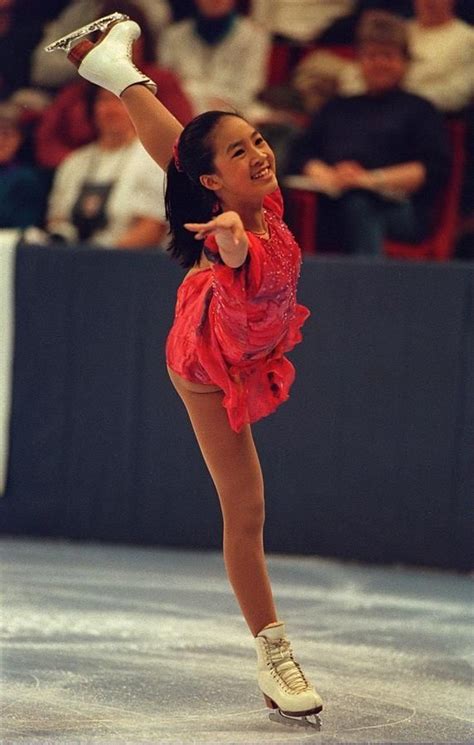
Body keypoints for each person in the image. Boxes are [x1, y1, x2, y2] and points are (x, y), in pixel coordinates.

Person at [46, 16, 323, 726]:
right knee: (247, 511)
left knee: (183, 153)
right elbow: (232, 250)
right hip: (208, 362)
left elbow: (192, 158)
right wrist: (229, 238)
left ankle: (115, 69)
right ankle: (273, 653)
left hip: (248, 338)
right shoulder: (234, 233)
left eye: (257, 140)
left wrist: (234, 204)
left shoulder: (259, 199)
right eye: (241, 153)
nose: (260, 154)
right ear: (215, 186)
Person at [288, 11, 451, 256]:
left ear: (405, 61)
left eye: (388, 56)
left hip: (398, 208)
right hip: (332, 196)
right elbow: (301, 152)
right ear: (359, 61)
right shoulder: (336, 107)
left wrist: (367, 180)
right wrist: (328, 174)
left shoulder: (419, 109)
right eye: (371, 56)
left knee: (359, 205)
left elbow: (431, 168)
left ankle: (367, 287)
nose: (379, 63)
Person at [35, 0, 193, 168]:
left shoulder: (163, 81)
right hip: (86, 170)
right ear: (94, 45)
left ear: (144, 42)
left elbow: (185, 137)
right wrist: (80, 164)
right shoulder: (78, 90)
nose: (119, 47)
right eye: (108, 40)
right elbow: (47, 141)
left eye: (128, 40)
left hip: (151, 167)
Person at [46, 86, 167, 248]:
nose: (111, 109)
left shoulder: (152, 158)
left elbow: (152, 228)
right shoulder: (74, 162)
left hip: (128, 262)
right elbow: (56, 219)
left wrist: (101, 260)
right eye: (104, 100)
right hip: (72, 260)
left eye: (119, 101)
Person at [158, 0, 270, 117]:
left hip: (236, 108)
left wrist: (222, 101)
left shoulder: (254, 36)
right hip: (186, 106)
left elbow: (250, 87)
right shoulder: (173, 36)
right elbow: (168, 84)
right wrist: (203, 99)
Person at [30, 0, 171, 90]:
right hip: (88, 80)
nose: (113, 46)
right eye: (106, 38)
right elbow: (41, 71)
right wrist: (92, 64)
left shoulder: (163, 82)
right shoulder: (78, 10)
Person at [404, 0, 474, 114]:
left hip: (436, 119)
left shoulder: (469, 40)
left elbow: (458, 93)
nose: (429, 2)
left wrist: (403, 100)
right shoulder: (399, 31)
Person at [0, 102, 48, 230]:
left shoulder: (26, 179)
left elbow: (24, 227)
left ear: (19, 138)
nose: (1, 140)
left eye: (7, 134)